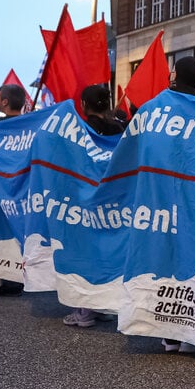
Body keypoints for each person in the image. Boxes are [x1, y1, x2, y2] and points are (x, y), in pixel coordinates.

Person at [62, 84, 126, 328]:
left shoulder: (79, 130)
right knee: (106, 249)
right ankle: (104, 306)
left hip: (84, 196)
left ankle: (85, 311)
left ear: (84, 105)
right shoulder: (119, 129)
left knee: (84, 252)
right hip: (113, 197)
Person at [161, 56, 195, 353]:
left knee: (168, 260)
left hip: (166, 198)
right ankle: (193, 329)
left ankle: (171, 332)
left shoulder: (162, 107)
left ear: (177, 75)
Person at [0, 83, 30, 296]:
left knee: (4, 233)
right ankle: (23, 276)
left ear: (4, 101)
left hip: (0, 191)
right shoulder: (31, 128)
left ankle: (10, 277)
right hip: (25, 193)